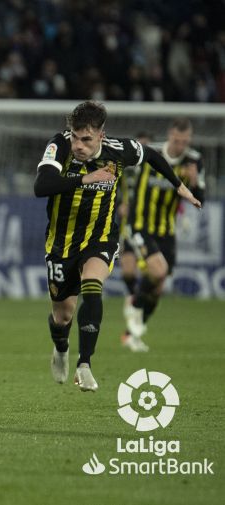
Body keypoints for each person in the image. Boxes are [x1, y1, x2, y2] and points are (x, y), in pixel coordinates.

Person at [33, 101, 200, 392]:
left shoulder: (118, 151)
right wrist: (86, 178)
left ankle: (84, 365)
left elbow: (150, 155)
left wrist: (178, 185)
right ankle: (61, 348)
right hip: (62, 242)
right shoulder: (59, 145)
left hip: (101, 237)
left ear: (101, 135)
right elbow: (41, 185)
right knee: (63, 315)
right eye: (75, 136)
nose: (79, 145)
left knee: (93, 284)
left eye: (86, 139)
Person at [120, 118, 205, 352]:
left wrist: (195, 181)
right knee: (156, 271)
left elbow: (200, 199)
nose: (180, 146)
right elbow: (125, 177)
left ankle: (132, 334)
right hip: (140, 225)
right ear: (170, 135)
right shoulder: (151, 153)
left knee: (157, 289)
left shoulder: (194, 161)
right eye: (177, 140)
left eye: (185, 141)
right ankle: (133, 302)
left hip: (166, 231)